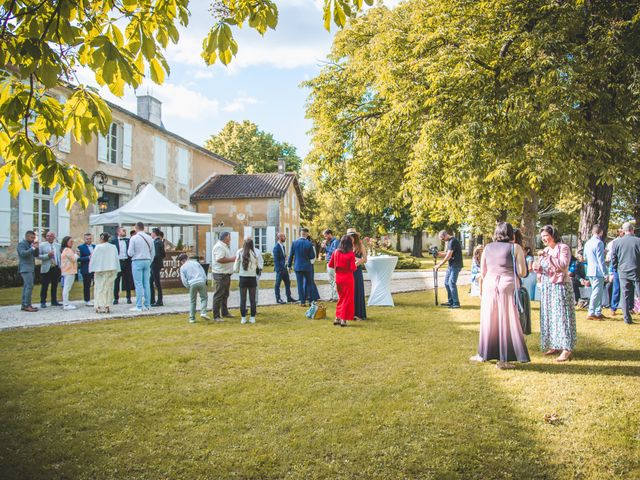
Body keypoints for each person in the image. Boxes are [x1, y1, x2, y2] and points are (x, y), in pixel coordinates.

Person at [470, 222, 529, 369]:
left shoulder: (488, 248)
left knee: (489, 319)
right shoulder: (515, 248)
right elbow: (522, 272)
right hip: (507, 284)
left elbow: (483, 272)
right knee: (507, 320)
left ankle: (483, 354)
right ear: (511, 234)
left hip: (489, 284)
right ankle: (503, 359)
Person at [533, 225, 576, 362]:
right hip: (547, 286)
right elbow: (542, 268)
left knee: (562, 316)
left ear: (553, 235)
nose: (544, 238)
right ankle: (554, 344)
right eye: (543, 236)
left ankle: (567, 349)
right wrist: (537, 266)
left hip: (560, 286)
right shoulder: (545, 250)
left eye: (546, 235)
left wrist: (548, 257)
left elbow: (563, 265)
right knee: (550, 315)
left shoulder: (563, 248)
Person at [611, 222, 640, 325]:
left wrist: (615, 269)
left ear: (623, 231)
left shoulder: (616, 242)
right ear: (632, 230)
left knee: (624, 295)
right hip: (636, 270)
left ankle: (626, 318)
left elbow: (613, 258)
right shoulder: (638, 241)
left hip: (622, 271)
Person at [329, 235, 357, 327]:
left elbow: (331, 265)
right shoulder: (351, 254)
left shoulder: (335, 252)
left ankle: (337, 317)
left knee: (341, 298)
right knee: (347, 299)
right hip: (348, 278)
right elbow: (353, 268)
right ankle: (343, 320)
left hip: (338, 278)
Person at [89, 232, 121, 313]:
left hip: (100, 270)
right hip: (110, 269)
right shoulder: (113, 247)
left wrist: (92, 268)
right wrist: (117, 268)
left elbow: (94, 258)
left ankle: (98, 305)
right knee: (108, 288)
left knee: (99, 288)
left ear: (101, 238)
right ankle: (107, 305)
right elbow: (116, 258)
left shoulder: (98, 247)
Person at [127, 222, 155, 312]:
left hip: (137, 260)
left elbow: (130, 253)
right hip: (147, 260)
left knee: (138, 284)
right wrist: (150, 260)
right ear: (143, 228)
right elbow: (153, 252)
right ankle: (147, 304)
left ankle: (139, 305)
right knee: (146, 283)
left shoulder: (134, 238)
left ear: (136, 228)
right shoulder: (150, 237)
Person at [435, 229, 464, 308]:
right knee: (446, 283)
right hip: (451, 265)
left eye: (442, 239)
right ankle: (450, 301)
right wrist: (438, 254)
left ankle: (456, 303)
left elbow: (448, 256)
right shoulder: (449, 242)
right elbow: (447, 253)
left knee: (451, 283)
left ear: (445, 235)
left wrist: (439, 265)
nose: (443, 240)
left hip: (456, 265)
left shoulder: (453, 241)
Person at [234, 237, 260, 324]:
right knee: (252, 299)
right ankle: (252, 317)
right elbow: (258, 266)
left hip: (243, 277)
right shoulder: (255, 254)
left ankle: (243, 318)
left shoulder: (239, 252)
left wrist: (238, 270)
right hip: (252, 277)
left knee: (243, 299)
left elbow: (235, 268)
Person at [584, 224, 607, 320]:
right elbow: (600, 260)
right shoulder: (599, 243)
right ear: (600, 232)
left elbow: (585, 257)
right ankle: (591, 312)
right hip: (597, 270)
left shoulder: (587, 243)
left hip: (590, 270)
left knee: (598, 291)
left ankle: (598, 311)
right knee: (597, 292)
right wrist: (605, 273)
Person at [288, 228, 316, 307]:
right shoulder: (309, 243)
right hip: (307, 266)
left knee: (299, 284)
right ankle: (311, 301)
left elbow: (291, 256)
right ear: (307, 234)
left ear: (300, 234)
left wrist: (289, 266)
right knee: (310, 284)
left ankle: (302, 302)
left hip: (298, 266)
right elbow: (312, 256)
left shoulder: (294, 243)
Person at [211, 232, 236, 321]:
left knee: (225, 294)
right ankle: (216, 316)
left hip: (226, 274)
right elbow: (219, 259)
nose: (230, 239)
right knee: (218, 295)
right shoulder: (219, 247)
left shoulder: (224, 246)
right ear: (225, 237)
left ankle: (225, 312)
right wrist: (232, 259)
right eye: (229, 237)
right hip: (220, 274)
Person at [178, 253, 209, 324]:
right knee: (204, 298)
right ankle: (203, 312)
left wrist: (187, 286)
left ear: (181, 261)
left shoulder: (182, 268)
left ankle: (192, 318)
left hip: (192, 283)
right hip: (201, 281)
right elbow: (203, 272)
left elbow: (183, 279)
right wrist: (204, 281)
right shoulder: (195, 263)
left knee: (192, 301)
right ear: (187, 258)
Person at [347, 228, 367, 320]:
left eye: (352, 236)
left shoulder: (361, 246)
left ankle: (359, 313)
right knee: (350, 292)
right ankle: (350, 313)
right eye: (349, 236)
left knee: (357, 290)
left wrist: (355, 263)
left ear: (355, 236)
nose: (351, 238)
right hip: (348, 271)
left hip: (356, 271)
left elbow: (365, 259)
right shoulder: (347, 246)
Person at [17, 230, 40, 312]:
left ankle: (24, 305)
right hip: (25, 268)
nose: (33, 239)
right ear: (27, 237)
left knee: (26, 287)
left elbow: (36, 255)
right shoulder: (22, 244)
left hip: (31, 268)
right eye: (32, 237)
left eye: (34, 237)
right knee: (29, 286)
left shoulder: (31, 245)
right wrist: (33, 248)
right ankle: (27, 305)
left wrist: (36, 248)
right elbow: (23, 254)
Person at [38, 230, 62, 307]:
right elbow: (38, 256)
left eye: (51, 236)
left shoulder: (58, 245)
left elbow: (60, 256)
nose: (49, 237)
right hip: (46, 268)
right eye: (47, 236)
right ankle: (43, 302)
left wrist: (60, 265)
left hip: (56, 268)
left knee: (54, 286)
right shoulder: (42, 245)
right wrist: (47, 256)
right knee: (44, 286)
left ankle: (54, 301)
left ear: (54, 237)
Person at [273, 232, 297, 304]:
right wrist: (280, 269)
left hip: (284, 268)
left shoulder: (282, 246)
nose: (285, 238)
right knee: (277, 284)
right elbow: (276, 260)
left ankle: (289, 297)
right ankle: (278, 299)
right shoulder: (276, 247)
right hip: (280, 269)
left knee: (288, 283)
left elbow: (283, 258)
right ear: (279, 237)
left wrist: (286, 265)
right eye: (284, 237)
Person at [111, 227, 133, 305]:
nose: (125, 231)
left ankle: (128, 297)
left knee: (127, 280)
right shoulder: (113, 241)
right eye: (123, 230)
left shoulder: (128, 240)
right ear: (118, 232)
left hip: (127, 262)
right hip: (118, 262)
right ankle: (116, 298)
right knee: (116, 281)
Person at [606, 228, 624, 316]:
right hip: (617, 268)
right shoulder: (614, 243)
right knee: (616, 288)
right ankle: (613, 307)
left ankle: (630, 307)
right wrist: (611, 272)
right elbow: (612, 258)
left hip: (622, 268)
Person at [60, 236, 78, 310]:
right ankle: (66, 304)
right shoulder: (68, 250)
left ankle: (66, 302)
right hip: (69, 271)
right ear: (66, 242)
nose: (72, 243)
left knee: (66, 287)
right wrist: (76, 254)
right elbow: (74, 259)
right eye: (70, 242)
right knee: (67, 288)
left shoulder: (65, 250)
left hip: (67, 271)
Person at [77, 233, 95, 306]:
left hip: (94, 268)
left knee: (96, 284)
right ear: (84, 239)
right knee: (87, 285)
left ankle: (95, 298)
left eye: (90, 238)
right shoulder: (80, 247)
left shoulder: (95, 246)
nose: (89, 240)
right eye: (87, 239)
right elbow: (78, 259)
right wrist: (88, 257)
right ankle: (87, 300)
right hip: (86, 268)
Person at [322, 229, 340, 302]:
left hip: (333, 263)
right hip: (329, 262)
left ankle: (335, 297)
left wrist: (325, 246)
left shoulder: (335, 242)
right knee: (331, 280)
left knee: (334, 280)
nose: (325, 237)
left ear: (330, 234)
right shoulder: (329, 242)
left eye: (326, 236)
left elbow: (334, 252)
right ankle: (333, 296)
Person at [150, 228, 165, 307]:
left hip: (155, 264)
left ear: (154, 233)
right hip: (157, 264)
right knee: (152, 281)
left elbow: (155, 255)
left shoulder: (156, 242)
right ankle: (152, 299)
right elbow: (163, 254)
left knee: (156, 282)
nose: (151, 234)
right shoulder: (160, 241)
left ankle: (159, 300)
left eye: (152, 233)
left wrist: (151, 260)